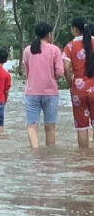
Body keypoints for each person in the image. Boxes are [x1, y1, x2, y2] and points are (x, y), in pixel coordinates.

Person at [22, 22, 65, 149]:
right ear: (49, 34)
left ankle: (35, 152)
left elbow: (27, 72)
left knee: (32, 125)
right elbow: (60, 72)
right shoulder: (55, 50)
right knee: (50, 126)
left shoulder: (27, 50)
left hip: (31, 92)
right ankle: (49, 154)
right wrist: (52, 78)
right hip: (50, 93)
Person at [63, 18, 94, 149]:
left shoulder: (70, 46)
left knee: (82, 126)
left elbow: (65, 67)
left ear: (75, 29)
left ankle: (83, 158)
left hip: (78, 90)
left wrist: (70, 82)